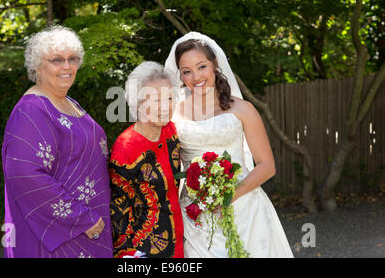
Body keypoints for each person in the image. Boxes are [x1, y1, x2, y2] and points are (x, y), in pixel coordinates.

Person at [165, 32, 293, 258]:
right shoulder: (173, 114)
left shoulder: (243, 109)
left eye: (201, 66)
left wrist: (229, 195)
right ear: (180, 75)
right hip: (195, 215)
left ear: (215, 64)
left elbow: (267, 166)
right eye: (187, 71)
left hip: (245, 208)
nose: (196, 77)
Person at [2, 25, 113, 258]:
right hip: (59, 238)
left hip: (91, 231)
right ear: (37, 67)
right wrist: (80, 218)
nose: (67, 66)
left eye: (72, 58)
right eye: (57, 60)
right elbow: (25, 174)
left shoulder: (69, 102)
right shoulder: (32, 110)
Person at [109, 61, 184, 258]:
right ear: (138, 103)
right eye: (156, 100)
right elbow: (118, 211)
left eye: (169, 98)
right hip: (143, 250)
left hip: (180, 241)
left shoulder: (171, 132)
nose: (165, 106)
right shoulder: (125, 148)